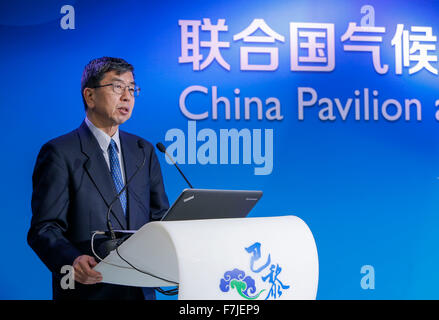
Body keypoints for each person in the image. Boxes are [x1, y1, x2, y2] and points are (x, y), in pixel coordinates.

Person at [28, 57, 170, 300]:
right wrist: (71, 260)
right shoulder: (60, 152)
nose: (127, 96)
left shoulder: (143, 150)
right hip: (90, 289)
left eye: (132, 88)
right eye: (117, 87)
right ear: (90, 96)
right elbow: (44, 228)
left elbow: (159, 218)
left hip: (141, 291)